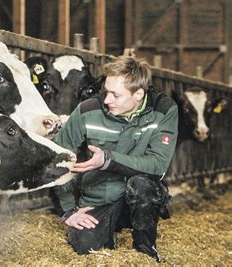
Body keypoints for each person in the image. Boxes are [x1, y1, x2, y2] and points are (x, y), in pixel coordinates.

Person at [54, 56, 178, 262]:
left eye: (115, 95)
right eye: (106, 91)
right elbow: (58, 157)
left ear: (138, 94)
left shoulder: (163, 110)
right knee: (84, 245)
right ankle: (106, 232)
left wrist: (108, 160)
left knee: (143, 185)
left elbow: (158, 165)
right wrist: (69, 211)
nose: (106, 100)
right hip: (98, 201)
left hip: (137, 199)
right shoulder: (87, 110)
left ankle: (145, 250)